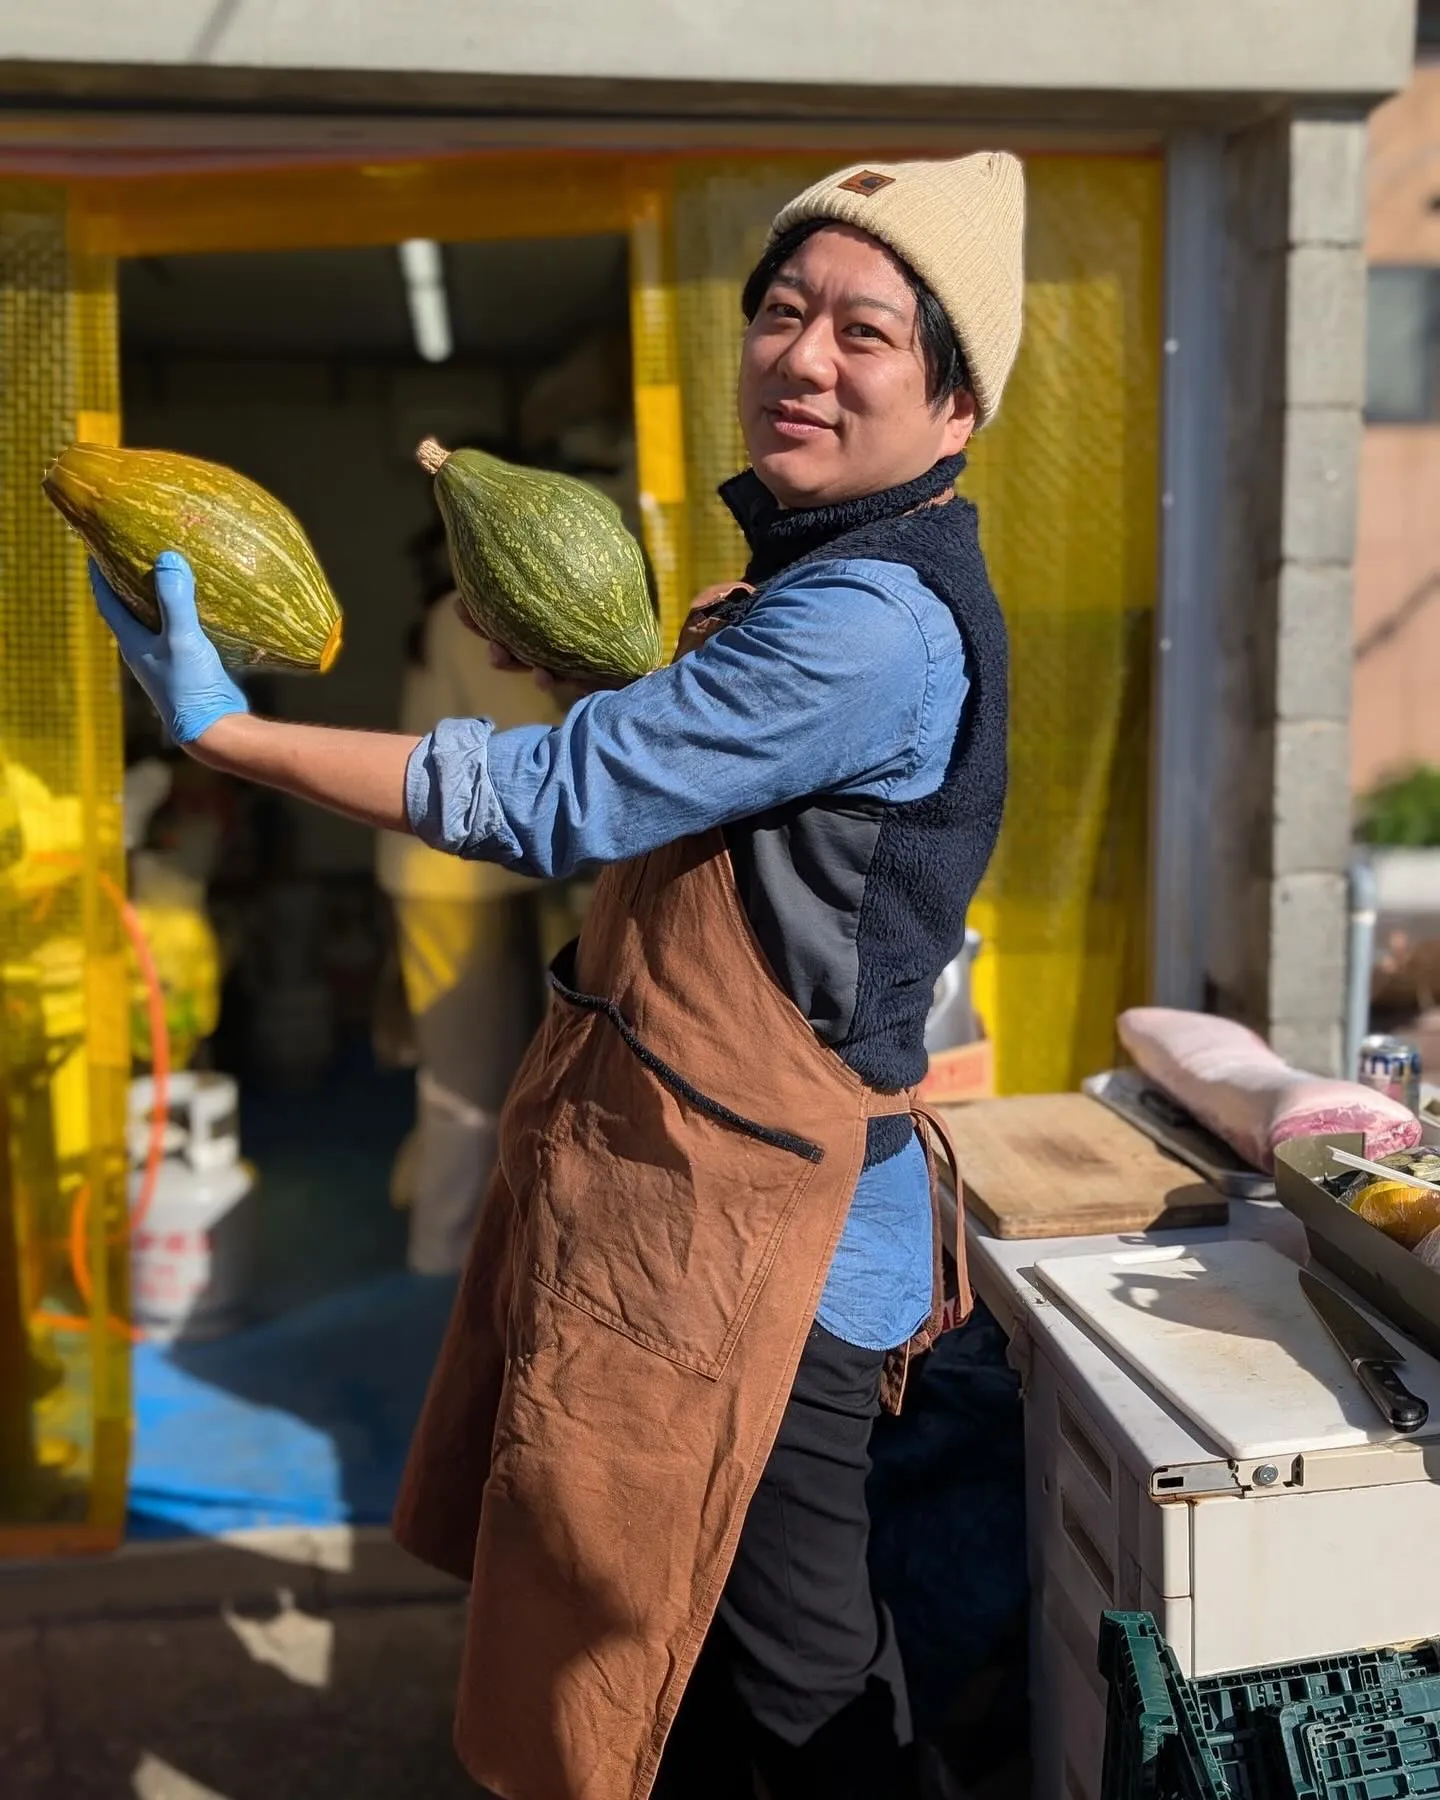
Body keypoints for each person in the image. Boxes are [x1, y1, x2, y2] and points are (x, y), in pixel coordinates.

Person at [92, 151, 1024, 1800]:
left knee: (793, 1687)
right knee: (675, 1645)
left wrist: (226, 732)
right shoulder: (808, 584)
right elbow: (708, 786)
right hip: (701, 1202)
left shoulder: (869, 623)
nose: (806, 356)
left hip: (771, 1243)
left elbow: (558, 798)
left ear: (954, 403)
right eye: (784, 312)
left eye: (866, 332)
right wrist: (601, 664)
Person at [377, 547, 561, 1274]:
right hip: (453, 883)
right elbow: (532, 742)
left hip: (457, 878)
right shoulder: (465, 621)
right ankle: (442, 1253)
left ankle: (448, 1235)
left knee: (473, 1062)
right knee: (467, 1077)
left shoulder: (444, 618)